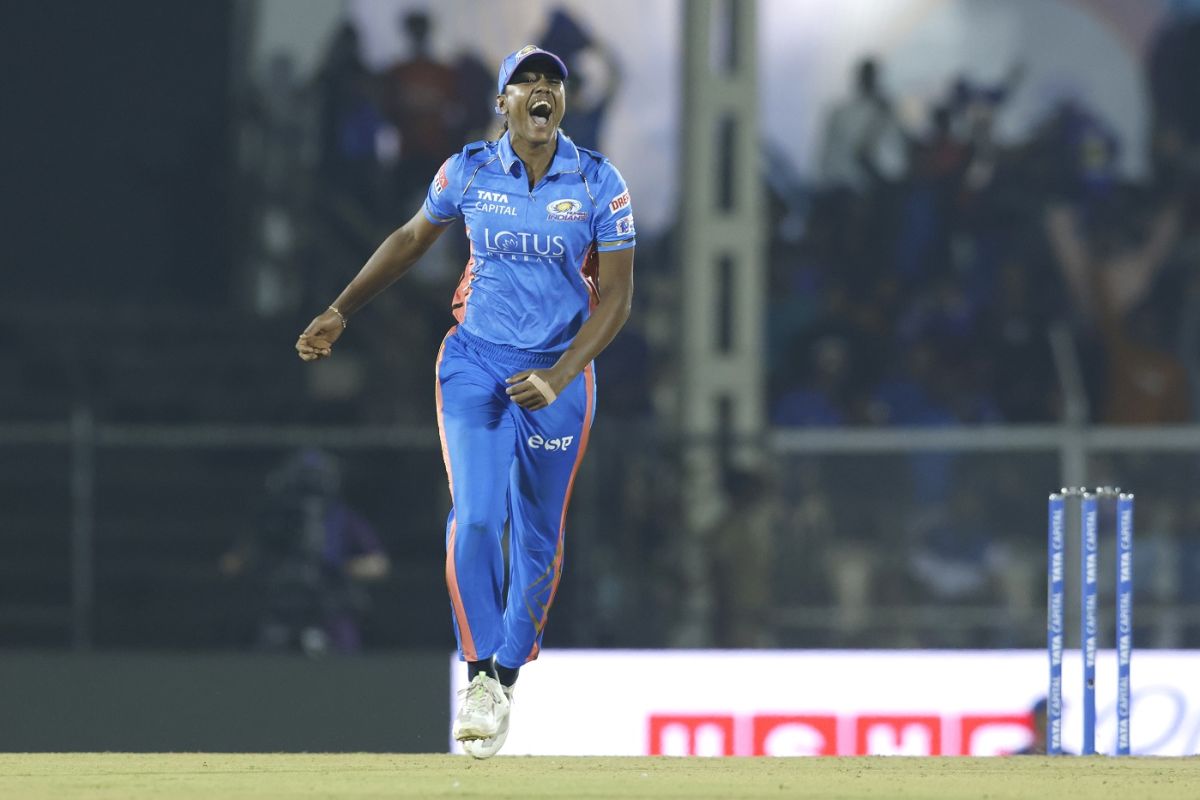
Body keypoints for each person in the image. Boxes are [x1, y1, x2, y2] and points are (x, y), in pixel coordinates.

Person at [295, 44, 636, 759]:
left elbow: (618, 301)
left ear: (562, 102)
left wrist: (562, 374)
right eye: (526, 83)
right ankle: (479, 674)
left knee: (538, 538)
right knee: (478, 516)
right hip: (475, 362)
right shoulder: (469, 170)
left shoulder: (599, 182)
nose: (541, 91)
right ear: (502, 104)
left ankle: (508, 672)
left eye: (552, 83)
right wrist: (340, 310)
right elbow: (411, 239)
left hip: (559, 376)